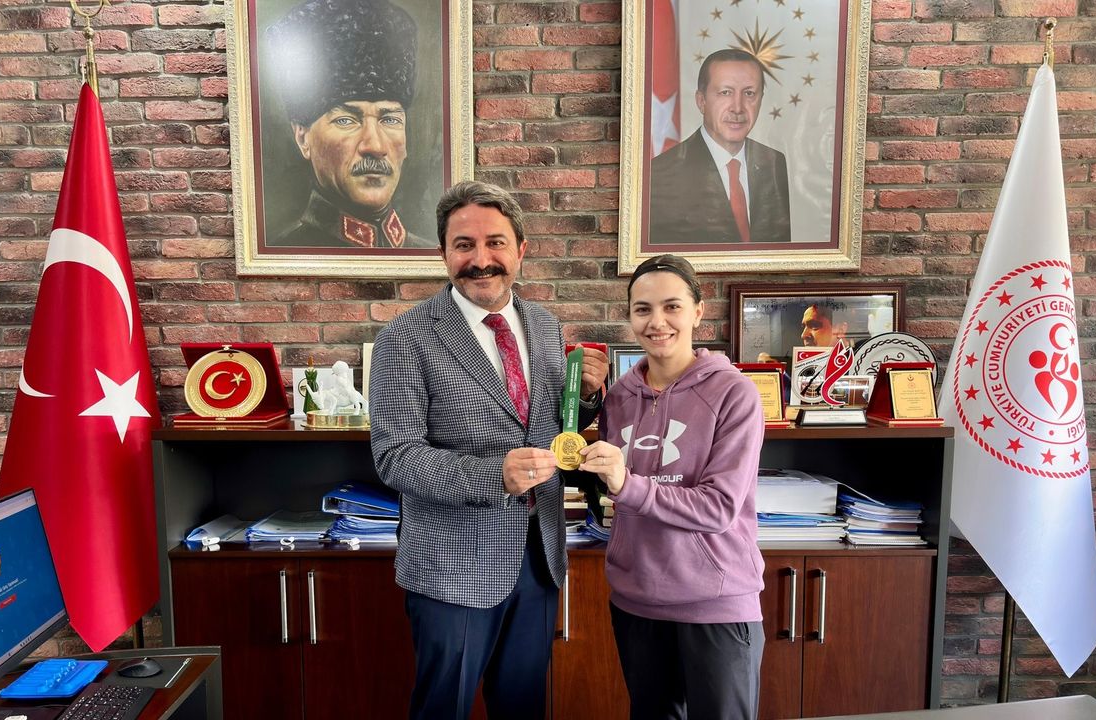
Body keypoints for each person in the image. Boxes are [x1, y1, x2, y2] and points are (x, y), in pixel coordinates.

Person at [369, 181, 608, 720]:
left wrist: (588, 399)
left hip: (538, 558)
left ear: (521, 249)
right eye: (464, 245)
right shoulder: (404, 338)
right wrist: (493, 476)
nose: (481, 260)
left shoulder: (544, 326)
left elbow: (548, 427)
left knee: (523, 708)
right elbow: (395, 456)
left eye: (495, 242)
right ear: (443, 253)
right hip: (451, 567)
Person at [578, 253, 766, 720]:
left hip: (715, 603)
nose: (657, 322)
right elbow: (607, 485)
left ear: (698, 312)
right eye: (642, 309)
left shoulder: (734, 393)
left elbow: (718, 507)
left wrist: (628, 483)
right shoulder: (619, 397)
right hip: (636, 600)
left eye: (672, 307)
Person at [264, 0, 431, 248]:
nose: (375, 146)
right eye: (346, 120)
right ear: (303, 138)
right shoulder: (283, 254)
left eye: (390, 120)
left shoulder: (432, 255)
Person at [649, 48, 791, 245]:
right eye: (725, 93)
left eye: (749, 93)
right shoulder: (660, 173)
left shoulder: (774, 163)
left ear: (760, 100)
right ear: (701, 101)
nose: (738, 108)